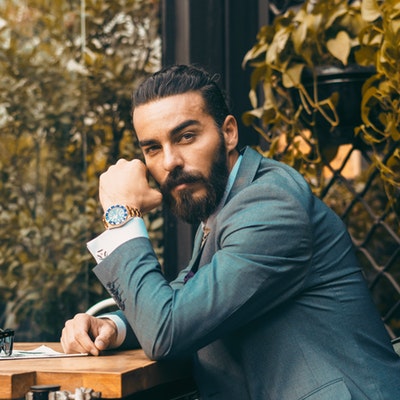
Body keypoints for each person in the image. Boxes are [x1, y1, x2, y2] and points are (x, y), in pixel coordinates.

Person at [61, 64, 400, 399]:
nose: (169, 162)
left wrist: (121, 215)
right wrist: (114, 327)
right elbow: (188, 300)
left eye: (186, 137)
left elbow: (167, 331)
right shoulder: (225, 204)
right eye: (153, 148)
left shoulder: (270, 206)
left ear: (229, 133)